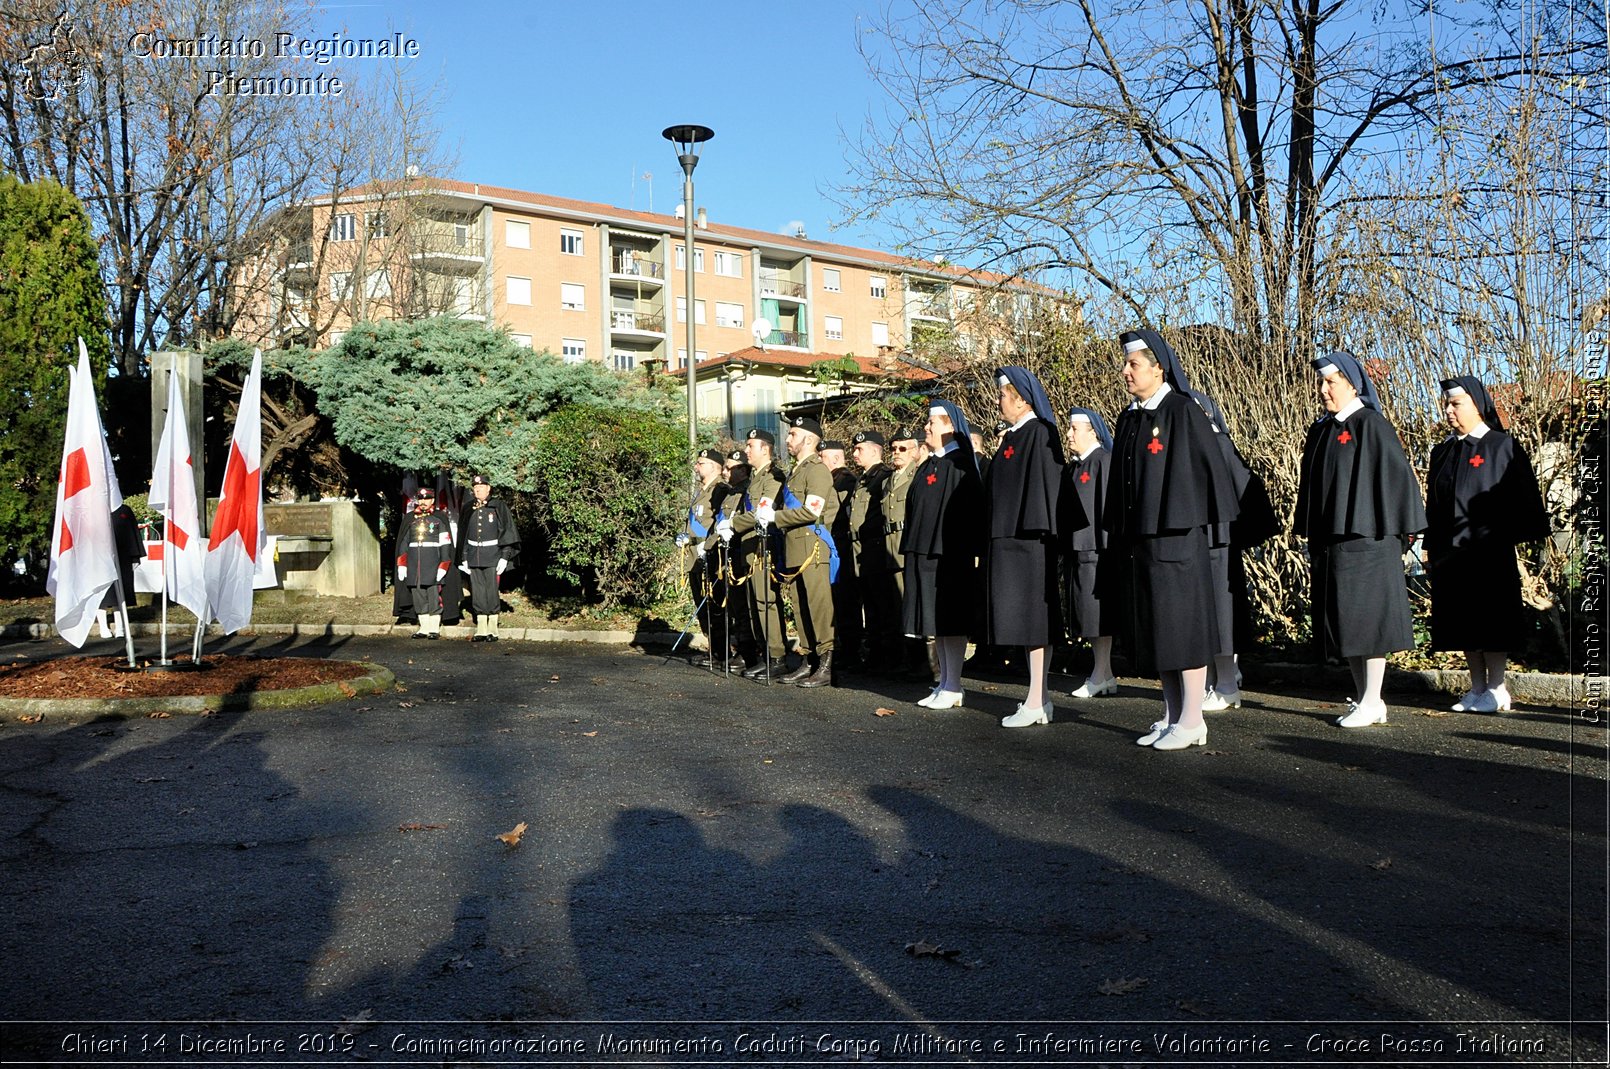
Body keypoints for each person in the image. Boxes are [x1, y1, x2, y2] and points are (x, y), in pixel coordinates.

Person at [1106, 330, 1241, 751]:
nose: (1126, 372)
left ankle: (1193, 720)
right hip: (1141, 542)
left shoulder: (1183, 410)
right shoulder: (1130, 417)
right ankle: (1172, 715)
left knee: (1183, 630)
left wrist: (1187, 518)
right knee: (1157, 631)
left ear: (1158, 367)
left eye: (1134, 365)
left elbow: (1210, 472)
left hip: (1178, 542)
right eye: (1126, 364)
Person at [1294, 351, 1428, 728]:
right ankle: (1366, 698)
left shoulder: (1371, 424)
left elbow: (1397, 479)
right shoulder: (1321, 429)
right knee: (1348, 625)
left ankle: (1373, 699)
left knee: (1367, 623)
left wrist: (1402, 534)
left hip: (1369, 541)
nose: (1323, 390)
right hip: (1334, 541)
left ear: (1353, 384)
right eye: (1321, 382)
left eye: (1331, 382)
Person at [1426, 375, 1549, 712]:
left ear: (1478, 405)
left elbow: (1522, 498)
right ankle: (1476, 686)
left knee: (1491, 620)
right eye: (1447, 404)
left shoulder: (1500, 446)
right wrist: (1430, 544)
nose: (1449, 411)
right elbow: (1435, 504)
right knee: (1463, 620)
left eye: (1456, 404)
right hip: (1450, 554)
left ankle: (1496, 687)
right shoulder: (1444, 451)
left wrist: (1505, 534)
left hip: (1488, 552)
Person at [987, 366, 1065, 728]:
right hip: (1008, 538)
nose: (999, 400)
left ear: (1020, 397)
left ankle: (1036, 699)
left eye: (1003, 394)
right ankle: (1038, 698)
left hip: (1030, 539)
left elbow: (1047, 486)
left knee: (1034, 620)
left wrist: (1036, 531)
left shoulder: (1039, 432)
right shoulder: (1013, 436)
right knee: (1020, 619)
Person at [901, 401, 985, 709]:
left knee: (952, 620)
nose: (926, 428)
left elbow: (970, 512)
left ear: (950, 426)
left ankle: (953, 684)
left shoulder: (961, 464)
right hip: (925, 552)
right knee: (937, 621)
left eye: (931, 423)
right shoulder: (930, 463)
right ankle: (945, 682)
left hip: (950, 555)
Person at [718, 429, 790, 680]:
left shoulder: (773, 477)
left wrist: (733, 524)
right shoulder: (756, 477)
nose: (746, 450)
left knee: (766, 603)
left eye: (750, 446)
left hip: (764, 548)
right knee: (754, 604)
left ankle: (777, 656)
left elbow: (763, 510)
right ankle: (766, 654)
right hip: (750, 549)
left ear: (765, 449)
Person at [773, 415, 839, 687]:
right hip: (795, 548)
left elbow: (812, 511)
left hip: (812, 547)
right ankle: (809, 660)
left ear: (809, 439)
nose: (788, 439)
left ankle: (825, 664)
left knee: (818, 606)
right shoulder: (797, 471)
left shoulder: (816, 470)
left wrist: (775, 518)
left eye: (793, 434)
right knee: (800, 607)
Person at [1060, 407, 1117, 699]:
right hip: (1078, 548)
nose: (1068, 434)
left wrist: (1105, 546)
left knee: (1097, 614)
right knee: (1086, 613)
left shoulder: (1103, 461)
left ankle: (1101, 672)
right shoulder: (1075, 466)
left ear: (1093, 431)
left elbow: (1107, 508)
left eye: (1074, 429)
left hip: (1096, 549)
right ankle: (1103, 673)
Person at [880, 427, 928, 679]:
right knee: (895, 607)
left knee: (910, 606)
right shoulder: (890, 478)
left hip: (905, 546)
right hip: (890, 548)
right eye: (893, 448)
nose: (896, 453)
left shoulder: (917, 475)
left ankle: (921, 663)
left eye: (902, 448)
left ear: (916, 451)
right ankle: (902, 659)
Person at [847, 430, 895, 668]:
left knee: (881, 605)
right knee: (869, 604)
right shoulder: (863, 478)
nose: (854, 454)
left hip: (875, 548)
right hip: (860, 549)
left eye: (859, 449)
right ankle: (875, 655)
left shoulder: (883, 477)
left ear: (875, 450)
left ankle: (886, 657)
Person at [677, 448, 727, 666]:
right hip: (693, 555)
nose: (696, 467)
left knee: (713, 605)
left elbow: (719, 522)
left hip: (709, 555)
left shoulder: (720, 490)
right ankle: (711, 648)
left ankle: (721, 652)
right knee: (701, 604)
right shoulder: (701, 490)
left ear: (715, 466)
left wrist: (708, 547)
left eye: (701, 463)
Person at [455, 474, 520, 643]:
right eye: (475, 488)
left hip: (492, 556)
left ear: (488, 488)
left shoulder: (498, 506)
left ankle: (493, 627)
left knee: (491, 590)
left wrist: (504, 557)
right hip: (474, 556)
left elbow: (506, 532)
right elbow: (464, 535)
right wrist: (464, 558)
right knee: (477, 591)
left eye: (481, 487)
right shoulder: (468, 507)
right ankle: (481, 627)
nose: (478, 490)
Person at [820, 439, 863, 670]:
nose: (819, 462)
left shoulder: (845, 481)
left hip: (842, 547)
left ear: (836, 458)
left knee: (846, 601)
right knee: (837, 600)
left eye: (823, 458)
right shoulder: (829, 480)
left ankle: (852, 651)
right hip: (833, 546)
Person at [394, 486, 455, 639]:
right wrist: (402, 564)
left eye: (427, 499)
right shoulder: (411, 520)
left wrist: (444, 565)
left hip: (433, 566)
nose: (423, 502)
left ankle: (434, 628)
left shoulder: (438, 519)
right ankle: (424, 627)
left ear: (432, 500)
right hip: (415, 567)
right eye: (421, 499)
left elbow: (445, 544)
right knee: (419, 597)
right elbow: (404, 543)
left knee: (434, 597)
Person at [95, 504, 146, 639]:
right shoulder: (95, 505)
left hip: (123, 558)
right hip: (100, 557)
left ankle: (121, 627)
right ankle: (103, 627)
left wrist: (135, 556)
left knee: (121, 594)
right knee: (102, 593)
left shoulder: (124, 510)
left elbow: (132, 532)